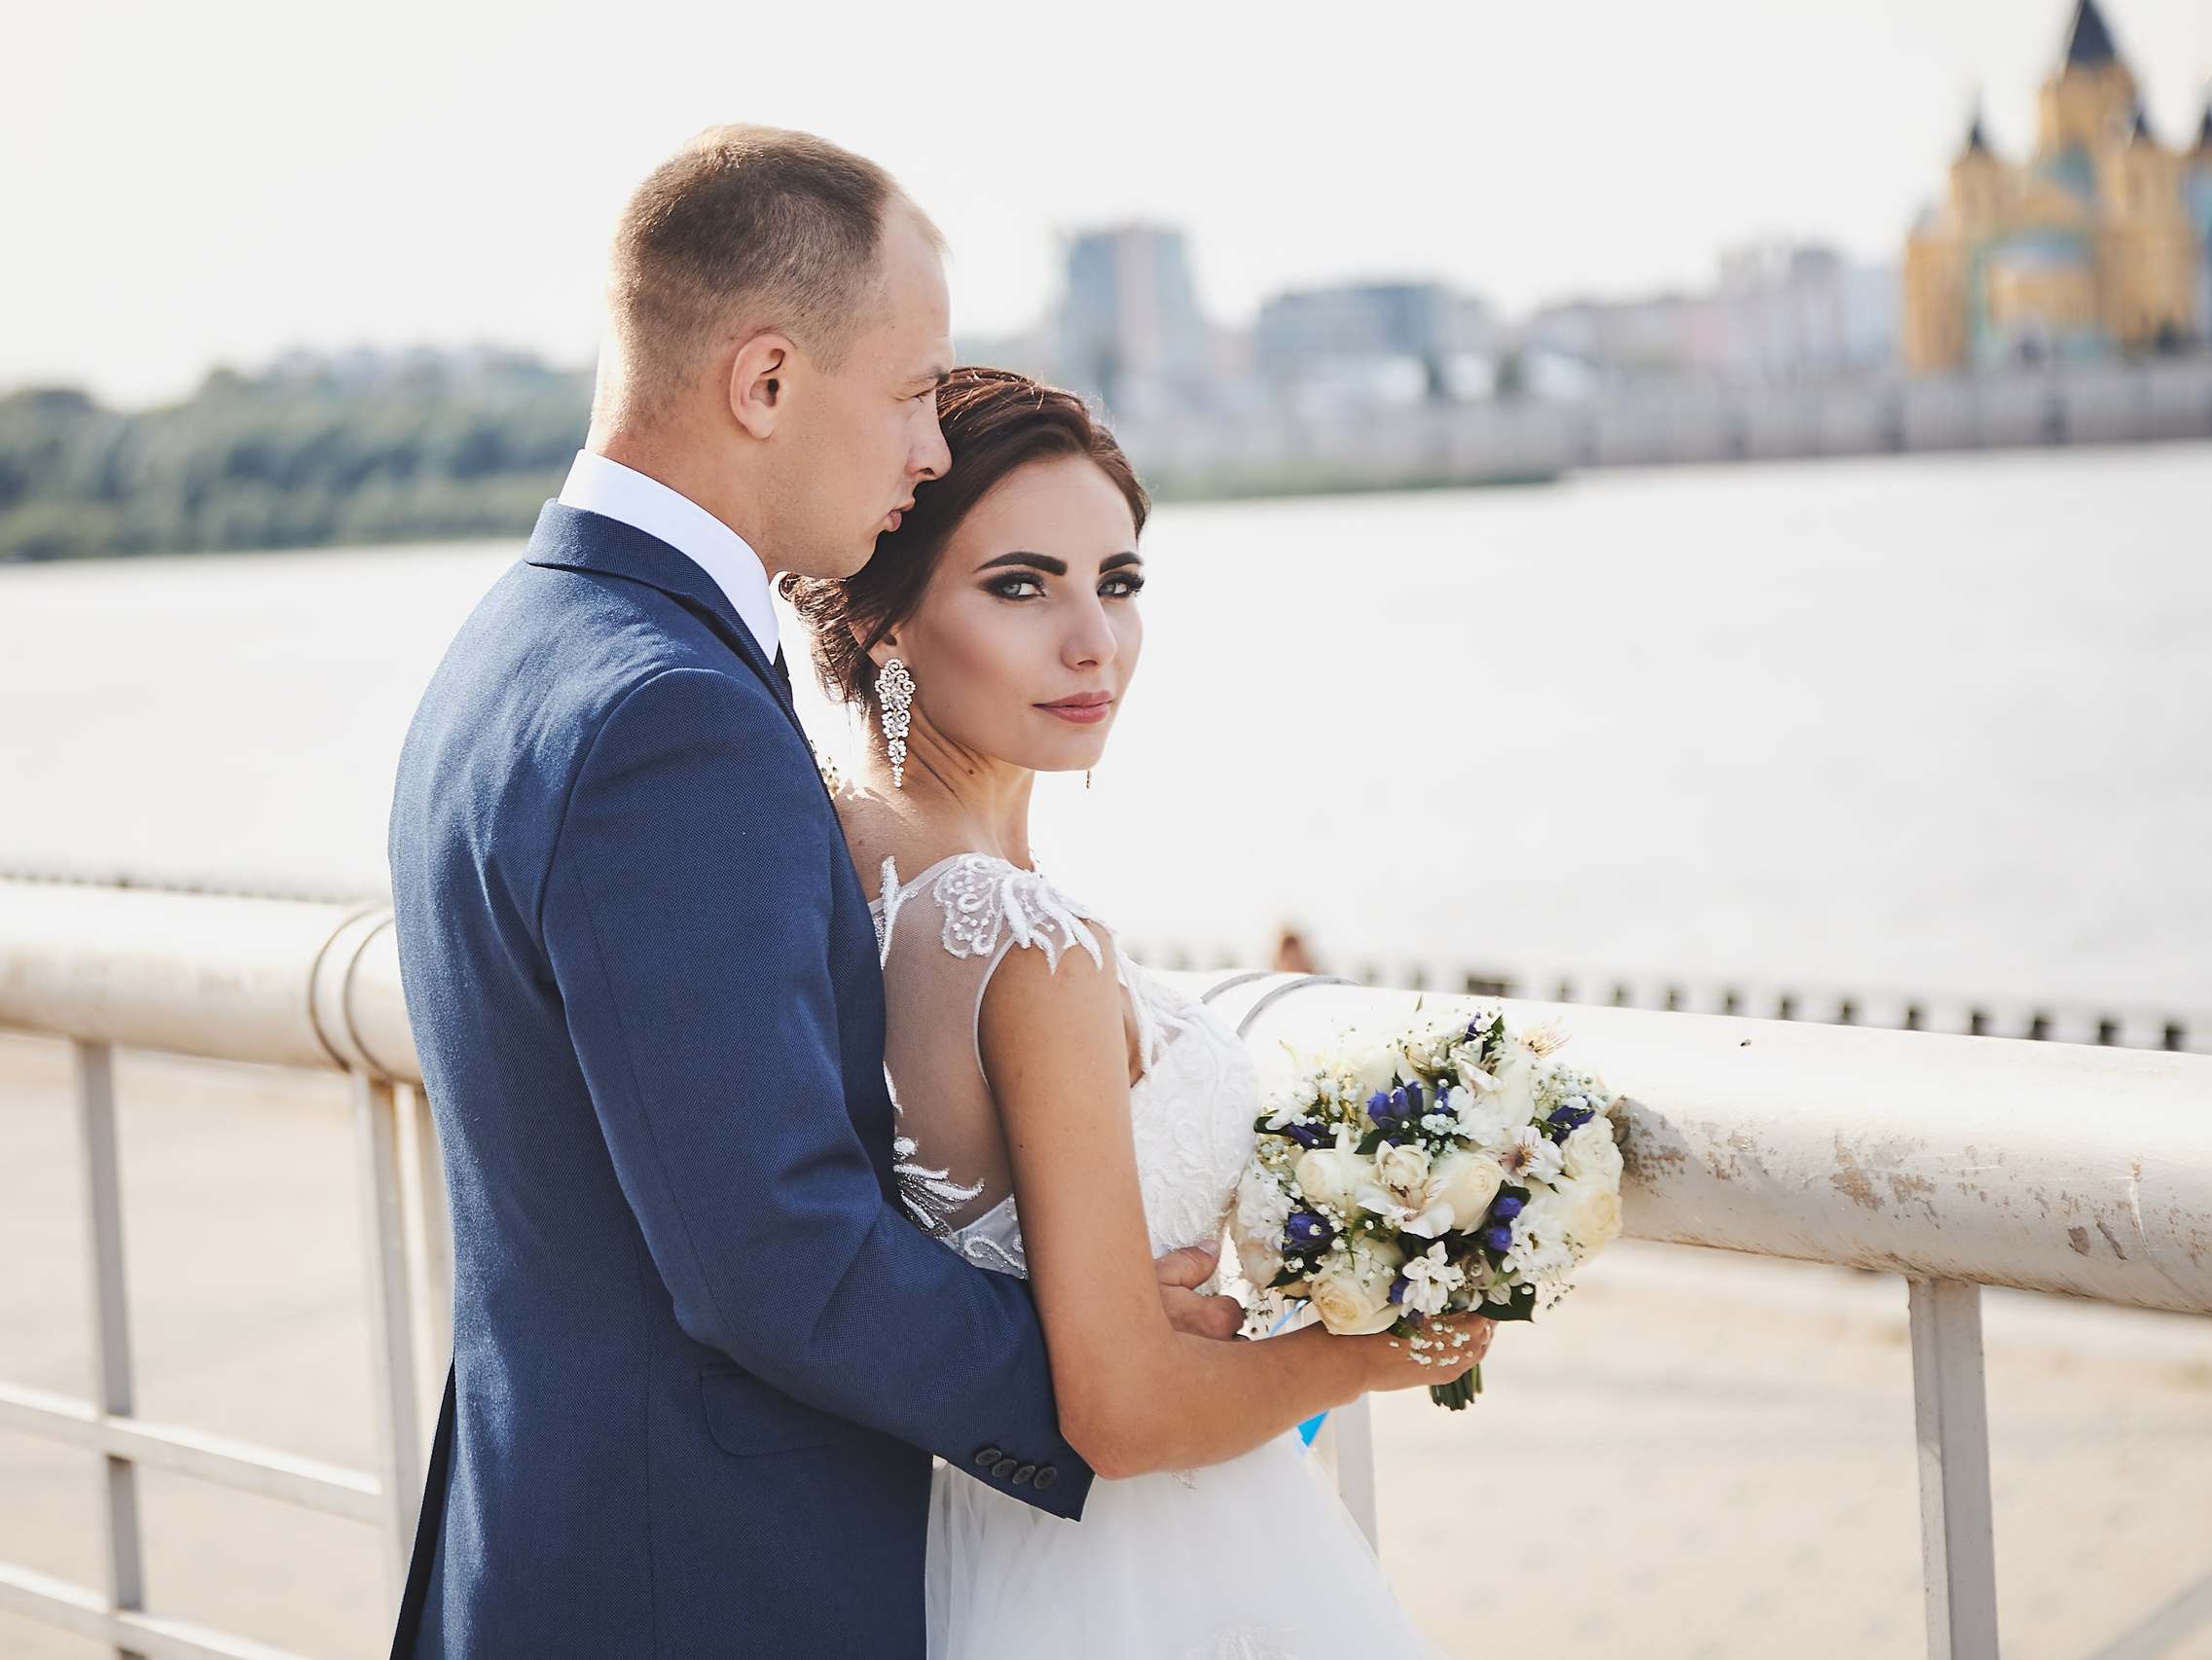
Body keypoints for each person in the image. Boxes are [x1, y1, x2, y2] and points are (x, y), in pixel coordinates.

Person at [385, 127, 1343, 1657]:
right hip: (698, 1583)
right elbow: (774, 1256)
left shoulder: (520, 641)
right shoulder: (663, 716)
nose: (923, 452)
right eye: (909, 394)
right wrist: (1106, 1369)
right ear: (764, 382)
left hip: (560, 1534)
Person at [787, 369, 1482, 1659]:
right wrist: (1375, 1351)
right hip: (1139, 1568)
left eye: (1117, 580)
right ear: (885, 616)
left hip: (956, 1547)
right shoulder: (1031, 946)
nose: (1092, 637)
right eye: (1020, 584)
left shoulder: (817, 850)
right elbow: (1123, 1405)